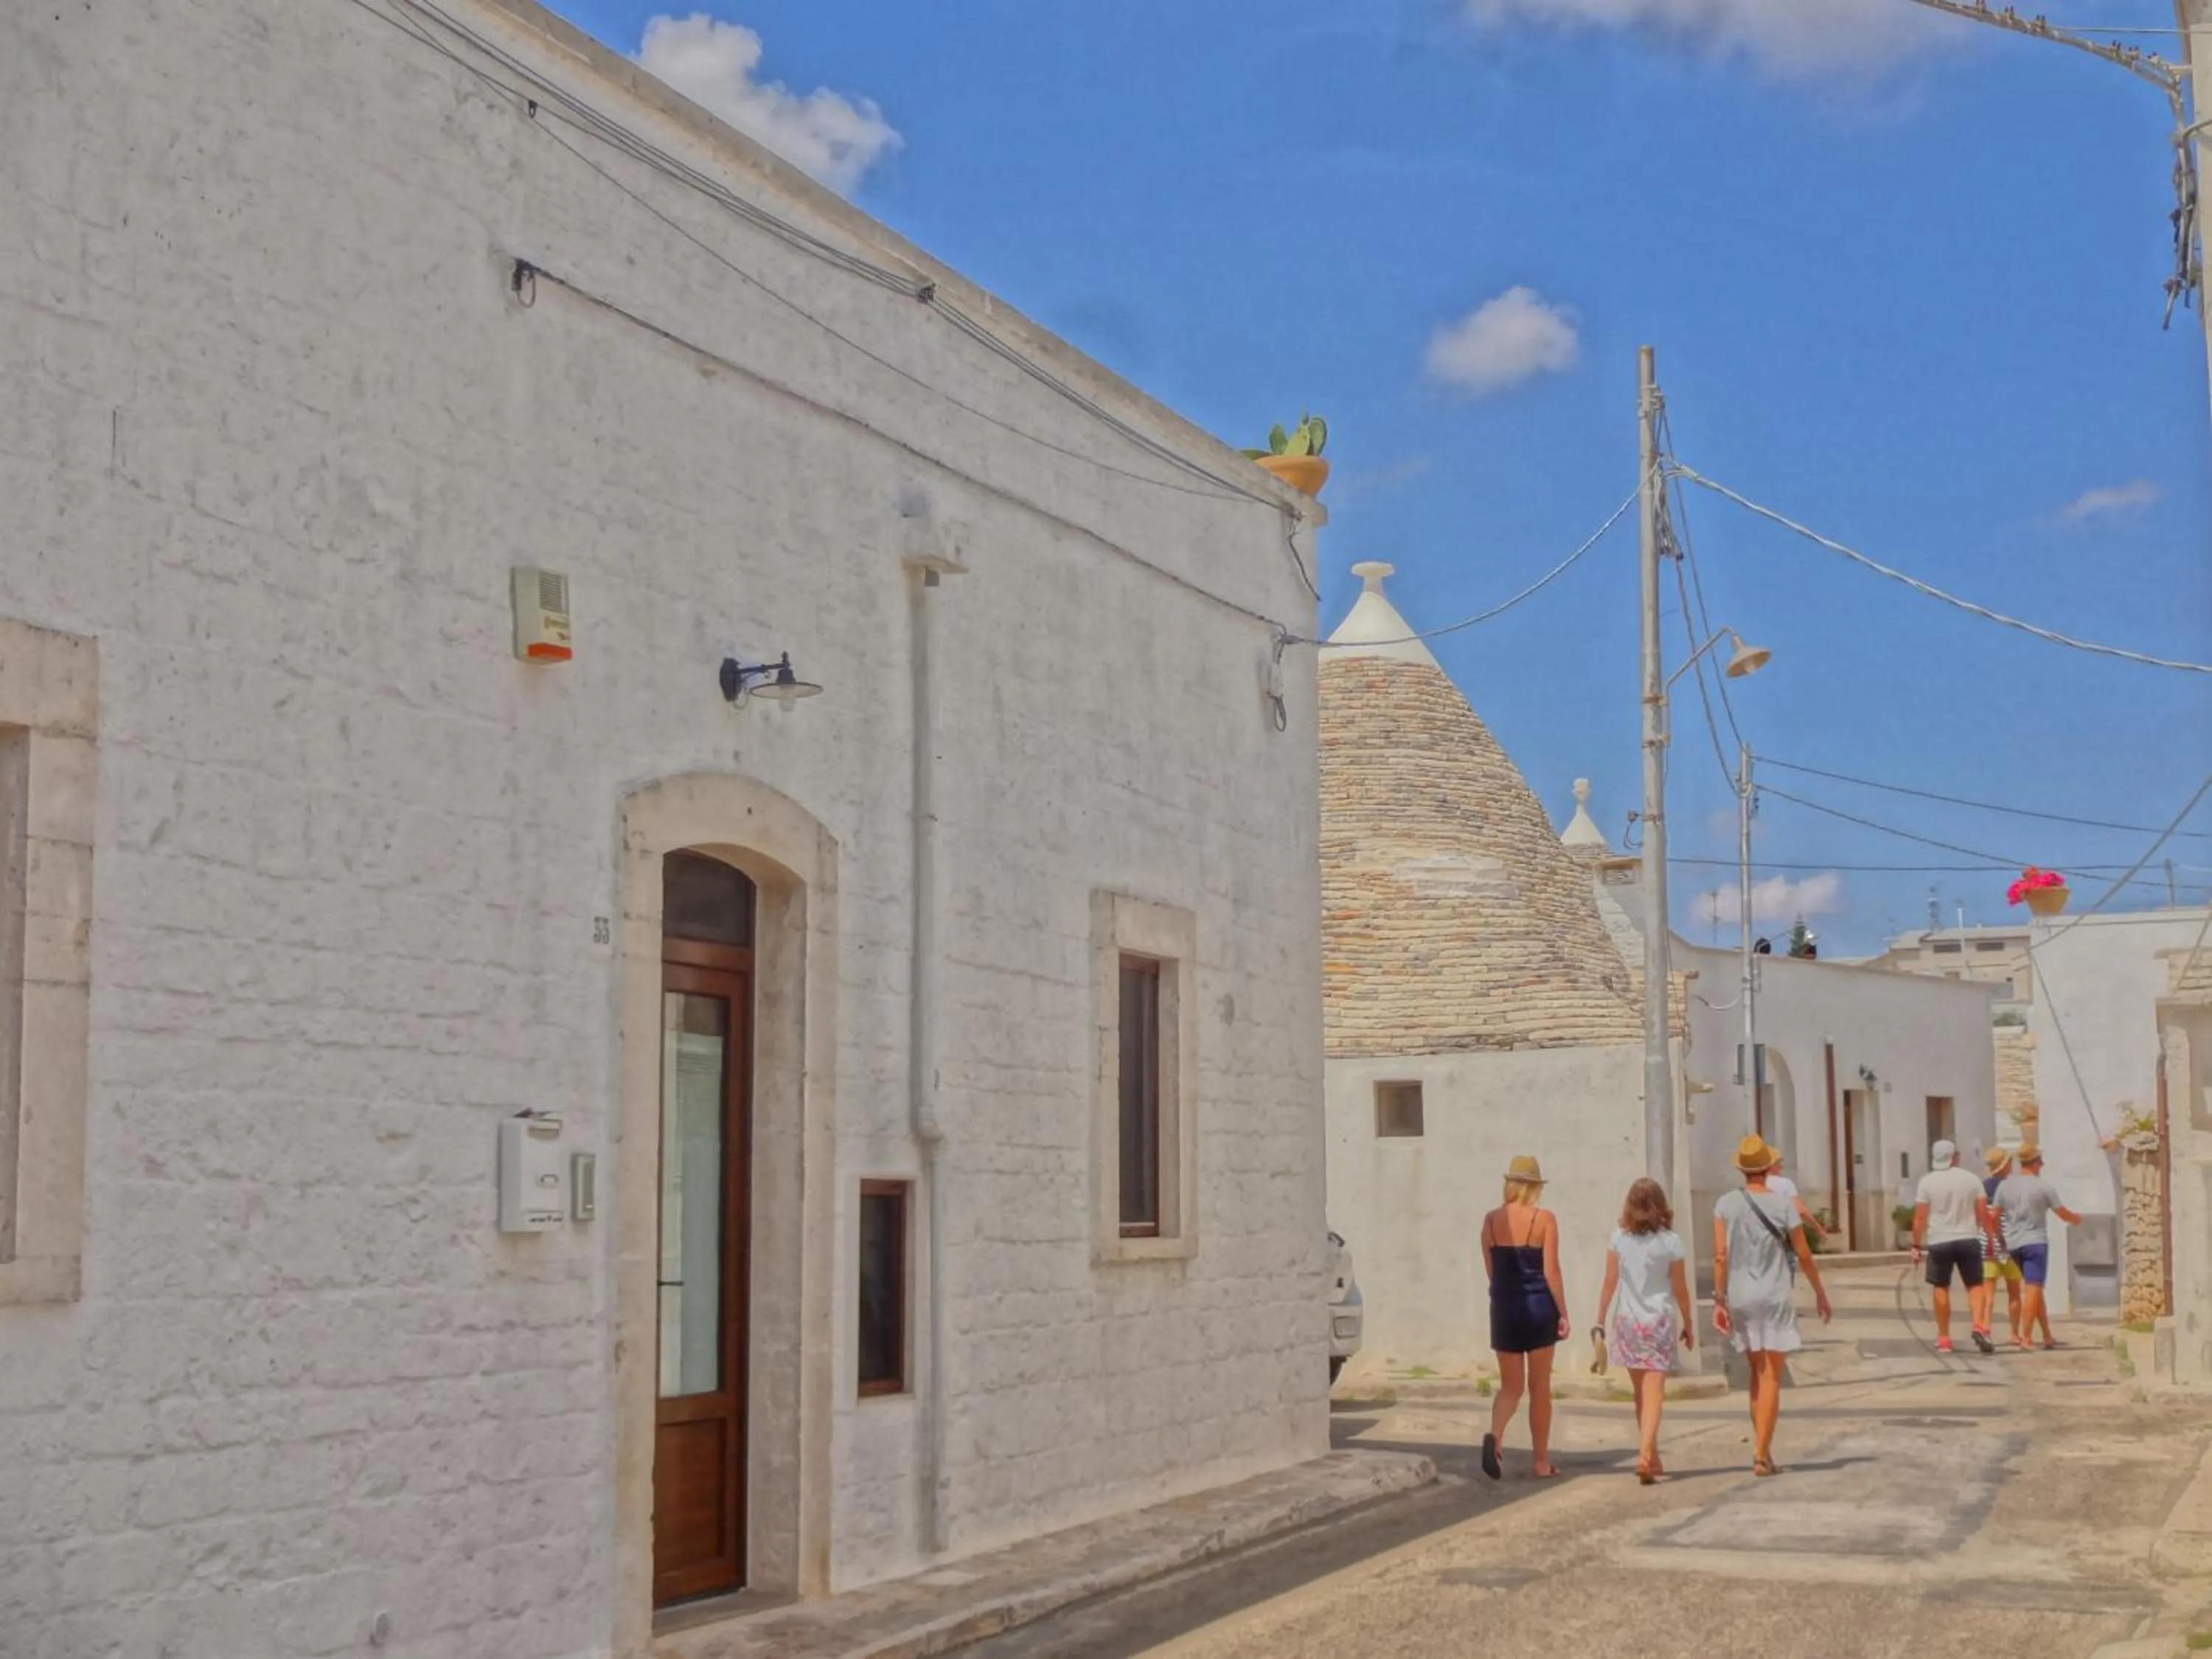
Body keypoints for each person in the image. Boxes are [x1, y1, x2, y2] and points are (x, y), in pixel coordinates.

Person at [1713, 1135, 1832, 1477]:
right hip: (1775, 1293)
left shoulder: (1724, 1204)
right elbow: (1803, 1253)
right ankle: (1761, 1455)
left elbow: (1720, 1255)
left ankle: (1762, 1447)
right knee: (1771, 1376)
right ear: (1768, 1168)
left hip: (1739, 1294)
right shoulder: (1783, 1204)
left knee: (1756, 1372)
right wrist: (1820, 1292)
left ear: (1741, 1169)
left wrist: (1718, 1299)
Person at [1595, 1178, 1693, 1484]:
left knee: (1641, 1394)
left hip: (1626, 1321)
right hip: (1658, 1323)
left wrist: (1599, 1319)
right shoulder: (1671, 1243)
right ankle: (1645, 1455)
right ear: (1660, 1207)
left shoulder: (1619, 1239)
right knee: (1655, 1395)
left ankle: (1652, 1455)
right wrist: (1689, 1323)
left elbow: (1609, 1282)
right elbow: (1680, 1289)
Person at [1480, 1154, 1569, 1481]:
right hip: (1538, 1307)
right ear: (1533, 1187)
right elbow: (1552, 1272)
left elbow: (1492, 1273)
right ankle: (1541, 1461)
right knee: (1540, 1387)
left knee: (1510, 1386)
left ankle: (1495, 1435)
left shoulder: (1490, 1221)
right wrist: (1563, 1312)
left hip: (1504, 1307)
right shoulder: (1544, 1219)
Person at [1913, 1139, 1998, 1354]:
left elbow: (1920, 1217)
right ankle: (1979, 1325)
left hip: (1939, 1240)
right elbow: (1983, 1214)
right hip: (1968, 1238)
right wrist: (1990, 1237)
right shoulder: (1971, 1180)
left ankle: (1943, 1338)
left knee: (1941, 1286)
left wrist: (1915, 1243)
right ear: (1955, 1157)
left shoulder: (1927, 1182)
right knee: (1975, 1285)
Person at [1995, 1144, 2083, 1350]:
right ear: (2035, 1163)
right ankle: (2027, 1337)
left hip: (2014, 1243)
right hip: (2035, 1242)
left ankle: (2046, 1335)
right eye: (2041, 1162)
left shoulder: (2005, 1186)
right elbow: (2061, 1212)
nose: (2042, 1166)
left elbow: (1994, 1215)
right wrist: (2076, 1219)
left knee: (2036, 1290)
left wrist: (1997, 1236)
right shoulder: (2043, 1187)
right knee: (2034, 1288)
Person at [1983, 1147, 2026, 1349]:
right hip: (2011, 1245)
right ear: (2004, 1165)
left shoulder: (1982, 1188)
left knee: (1988, 1293)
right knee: (2014, 1292)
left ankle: (1985, 1329)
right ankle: (2014, 1333)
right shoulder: (2013, 1188)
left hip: (1988, 1247)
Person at [1765, 1155, 1827, 1248]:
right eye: (1778, 1164)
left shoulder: (1752, 1186)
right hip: (1779, 1238)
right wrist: (1818, 1228)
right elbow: (1801, 1210)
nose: (1781, 1167)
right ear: (1771, 1166)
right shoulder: (1785, 1184)